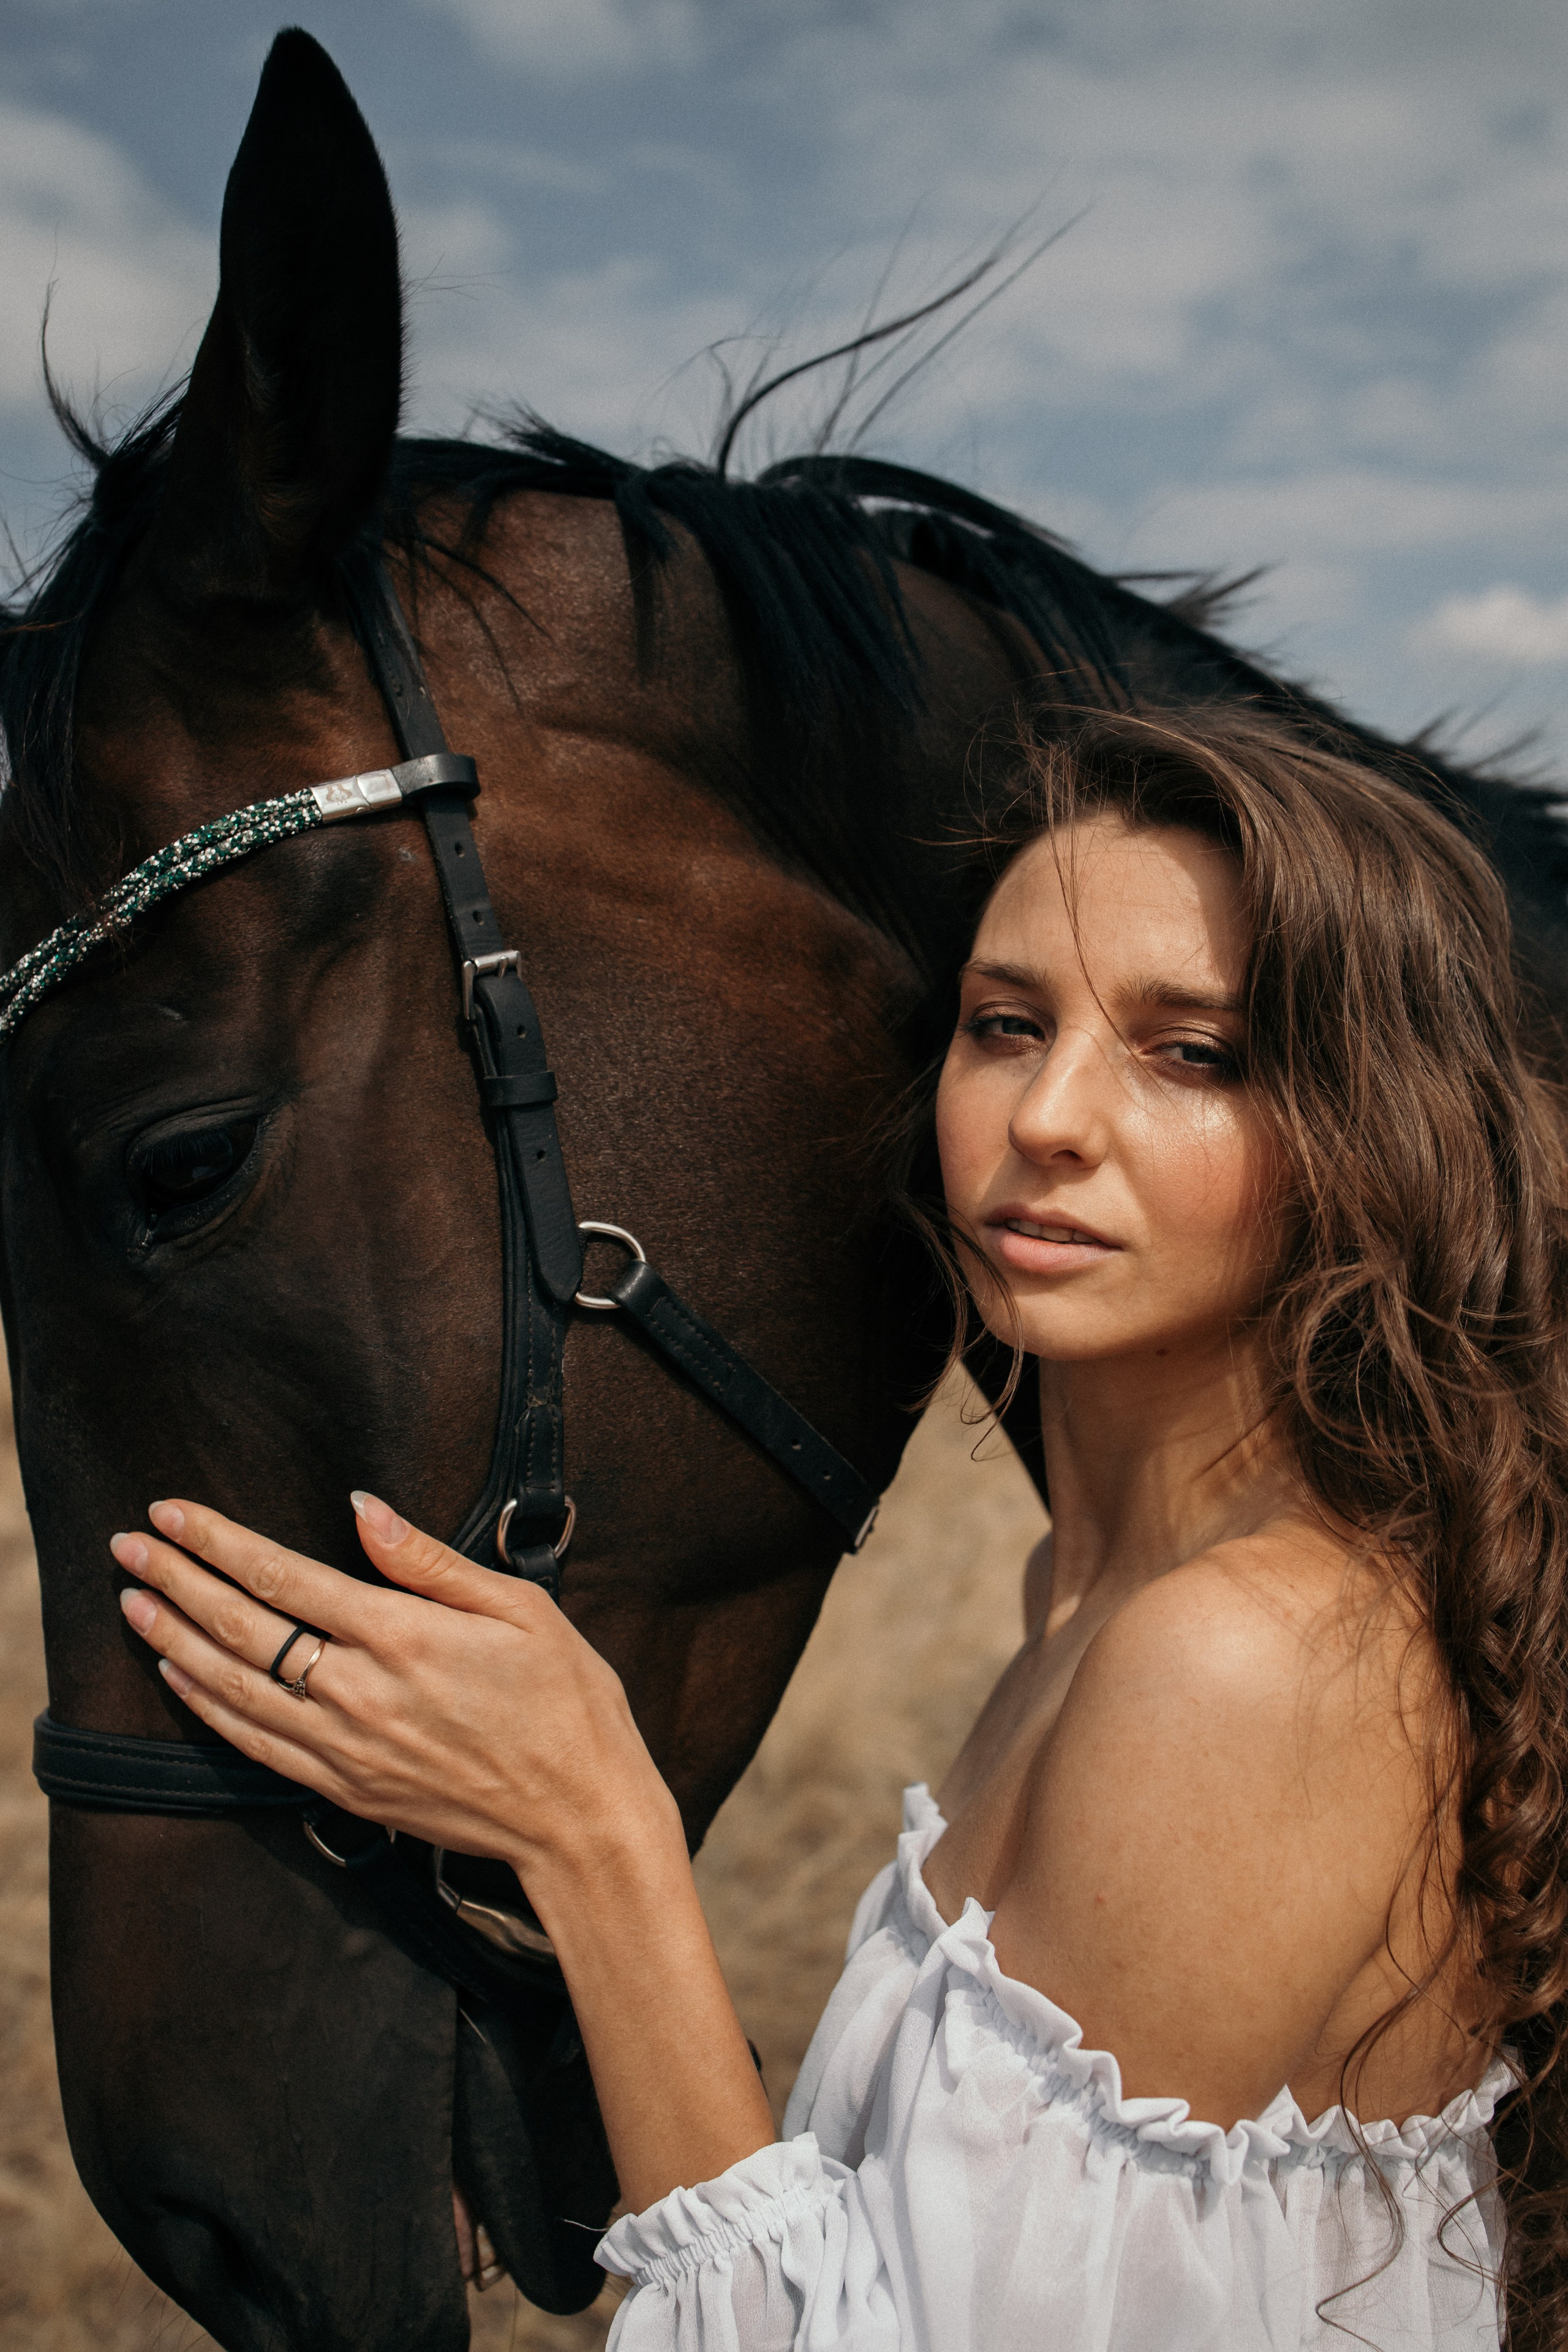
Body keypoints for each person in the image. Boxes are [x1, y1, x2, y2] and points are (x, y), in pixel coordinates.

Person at [111, 706, 1568, 2350]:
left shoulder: (1238, 1663)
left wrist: (599, 1835)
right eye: (1008, 1025)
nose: (1049, 1119)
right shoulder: (1091, 1591)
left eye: (1194, 1053)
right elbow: (902, 2256)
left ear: (1366, 1133)